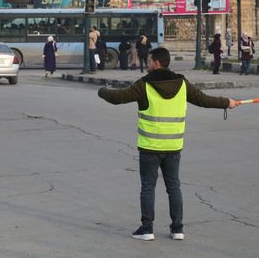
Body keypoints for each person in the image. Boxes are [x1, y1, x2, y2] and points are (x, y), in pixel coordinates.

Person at [97, 47, 237, 241]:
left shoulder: (144, 85)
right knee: (174, 187)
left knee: (148, 187)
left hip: (150, 147)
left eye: (149, 61)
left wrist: (102, 91)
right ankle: (177, 228)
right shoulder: (182, 84)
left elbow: (117, 98)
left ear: (156, 63)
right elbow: (204, 100)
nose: (146, 64)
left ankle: (147, 229)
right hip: (173, 146)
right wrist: (226, 102)